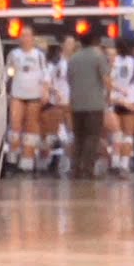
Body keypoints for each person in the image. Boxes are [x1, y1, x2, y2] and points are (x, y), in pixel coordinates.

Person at [67, 28, 111, 179]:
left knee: (79, 137)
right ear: (94, 41)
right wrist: (108, 96)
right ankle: (87, 169)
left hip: (76, 104)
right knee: (92, 137)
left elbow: (69, 79)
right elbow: (106, 79)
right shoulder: (99, 56)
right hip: (94, 104)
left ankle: (76, 168)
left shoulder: (73, 58)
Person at [5, 29, 48, 174]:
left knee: (31, 126)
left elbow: (45, 74)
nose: (25, 38)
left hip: (34, 94)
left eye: (28, 35)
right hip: (17, 94)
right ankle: (12, 159)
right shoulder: (14, 54)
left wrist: (45, 91)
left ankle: (27, 162)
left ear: (32, 38)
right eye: (22, 36)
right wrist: (5, 89)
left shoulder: (39, 55)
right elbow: (7, 73)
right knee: (15, 125)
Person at [109, 41, 134, 176]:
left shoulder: (113, 62)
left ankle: (114, 162)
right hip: (130, 99)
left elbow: (108, 81)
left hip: (113, 99)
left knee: (115, 134)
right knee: (128, 135)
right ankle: (124, 165)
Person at [40, 36, 75, 173]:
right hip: (57, 104)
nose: (70, 46)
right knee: (56, 134)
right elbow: (47, 82)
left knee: (70, 134)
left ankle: (70, 163)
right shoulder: (55, 64)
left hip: (72, 103)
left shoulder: (76, 63)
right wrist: (53, 92)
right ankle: (54, 161)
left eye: (72, 43)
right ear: (63, 46)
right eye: (68, 43)